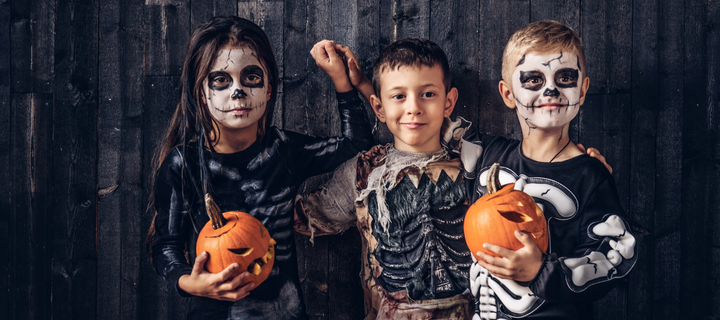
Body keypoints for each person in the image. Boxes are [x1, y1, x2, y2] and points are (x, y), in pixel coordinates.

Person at [146, 16, 373, 320]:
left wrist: (343, 82)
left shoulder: (284, 151)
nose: (237, 92)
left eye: (250, 77)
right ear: (202, 92)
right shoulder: (183, 164)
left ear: (268, 88)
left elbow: (355, 144)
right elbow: (166, 245)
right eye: (220, 81)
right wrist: (190, 282)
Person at [462, 20, 638, 319]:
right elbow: (420, 119)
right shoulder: (485, 155)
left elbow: (617, 256)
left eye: (565, 76)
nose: (551, 89)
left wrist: (542, 270)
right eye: (532, 79)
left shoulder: (590, 176)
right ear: (507, 94)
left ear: (581, 91)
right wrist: (359, 91)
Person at [294, 38, 476, 319]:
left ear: (448, 101)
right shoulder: (365, 173)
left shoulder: (472, 165)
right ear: (379, 108)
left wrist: (369, 85)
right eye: (399, 96)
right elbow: (306, 217)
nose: (414, 107)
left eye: (427, 94)